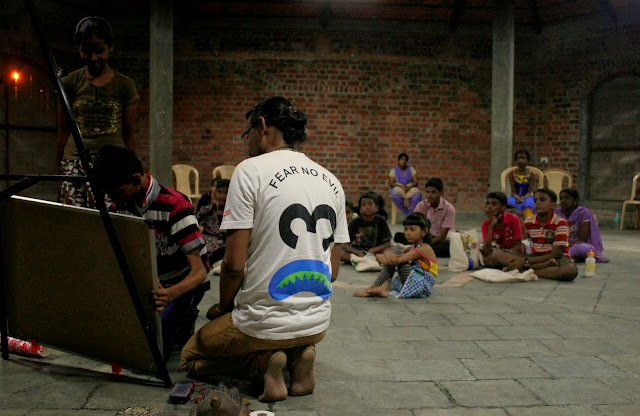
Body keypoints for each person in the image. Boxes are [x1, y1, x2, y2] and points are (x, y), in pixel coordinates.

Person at [180, 97, 350, 402]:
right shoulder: (332, 181)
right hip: (316, 323)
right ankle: (300, 354)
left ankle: (262, 364)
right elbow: (333, 272)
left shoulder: (249, 171)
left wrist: (224, 307)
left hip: (261, 324)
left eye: (248, 133)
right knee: (281, 334)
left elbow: (233, 266)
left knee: (189, 356)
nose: (248, 142)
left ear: (262, 126)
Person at [92, 145, 209, 357]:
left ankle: (186, 315)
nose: (114, 199)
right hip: (153, 281)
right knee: (124, 340)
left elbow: (199, 272)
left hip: (183, 283)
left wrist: (169, 295)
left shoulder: (175, 205)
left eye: (117, 192)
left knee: (152, 351)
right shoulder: (120, 205)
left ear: (137, 179)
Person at [57, 16, 138, 208]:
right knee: (74, 219)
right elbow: (62, 131)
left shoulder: (124, 85)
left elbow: (129, 132)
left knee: (109, 219)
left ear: (110, 48)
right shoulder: (69, 83)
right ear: (79, 49)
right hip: (75, 165)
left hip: (112, 166)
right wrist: (58, 172)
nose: (93, 58)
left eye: (99, 51)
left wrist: (133, 171)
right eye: (87, 51)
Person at [353, 213, 437, 298]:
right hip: (416, 283)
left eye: (412, 230)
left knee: (395, 253)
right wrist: (388, 253)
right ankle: (383, 286)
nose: (407, 233)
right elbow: (393, 253)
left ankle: (377, 286)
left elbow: (394, 260)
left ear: (423, 232)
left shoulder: (423, 249)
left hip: (421, 285)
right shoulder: (414, 247)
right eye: (406, 229)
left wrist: (378, 256)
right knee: (395, 251)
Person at [502, 189, 578, 281]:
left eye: (542, 200)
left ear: (553, 205)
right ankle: (539, 268)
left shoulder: (560, 223)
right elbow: (523, 244)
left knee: (570, 270)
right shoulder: (529, 221)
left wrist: (525, 261)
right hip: (534, 256)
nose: (537, 203)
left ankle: (530, 271)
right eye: (535, 200)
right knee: (497, 254)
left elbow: (555, 253)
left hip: (556, 258)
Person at [555, 188, 609, 263]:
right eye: (561, 198)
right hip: (560, 245)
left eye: (566, 198)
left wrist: (566, 245)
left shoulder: (583, 212)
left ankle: (565, 256)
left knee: (584, 248)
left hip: (576, 245)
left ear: (575, 201)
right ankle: (570, 257)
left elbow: (583, 238)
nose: (563, 201)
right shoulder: (557, 212)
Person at [340, 191, 392, 263]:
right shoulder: (354, 222)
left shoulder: (381, 221)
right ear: (360, 209)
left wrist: (373, 250)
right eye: (363, 205)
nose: (367, 207)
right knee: (340, 253)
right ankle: (363, 260)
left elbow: (387, 243)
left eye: (370, 204)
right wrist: (358, 252)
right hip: (359, 251)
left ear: (377, 208)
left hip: (376, 251)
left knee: (389, 251)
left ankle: (362, 261)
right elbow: (345, 244)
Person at [412, 178, 456, 257]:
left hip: (442, 240)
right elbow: (414, 225)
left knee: (448, 246)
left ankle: (421, 251)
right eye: (427, 192)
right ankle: (422, 251)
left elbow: (442, 236)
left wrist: (425, 244)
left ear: (441, 193)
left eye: (433, 192)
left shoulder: (449, 209)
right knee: (400, 236)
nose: (429, 195)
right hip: (426, 237)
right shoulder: (421, 205)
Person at [480, 192, 523, 269]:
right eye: (488, 204)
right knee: (486, 258)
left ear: (503, 207)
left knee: (495, 256)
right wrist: (491, 228)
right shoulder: (485, 224)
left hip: (513, 254)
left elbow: (518, 247)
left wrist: (500, 254)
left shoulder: (513, 218)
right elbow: (487, 252)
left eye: (494, 204)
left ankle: (519, 265)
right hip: (496, 256)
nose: (489, 207)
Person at [195, 178, 229, 266]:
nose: (222, 196)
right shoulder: (206, 210)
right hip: (206, 244)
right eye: (219, 192)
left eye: (226, 193)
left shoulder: (235, 213)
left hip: (225, 246)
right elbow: (196, 225)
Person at [507, 149, 538, 218]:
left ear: (527, 160)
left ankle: (528, 221)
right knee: (510, 203)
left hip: (527, 195)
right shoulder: (512, 173)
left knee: (528, 204)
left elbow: (530, 191)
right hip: (515, 196)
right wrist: (517, 197)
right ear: (515, 160)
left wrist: (523, 198)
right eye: (518, 158)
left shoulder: (532, 174)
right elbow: (513, 191)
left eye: (523, 158)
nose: (521, 160)